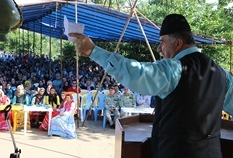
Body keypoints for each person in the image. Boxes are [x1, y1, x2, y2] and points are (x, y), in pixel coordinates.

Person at [69, 13, 233, 158]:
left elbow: (136, 73)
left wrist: (93, 51)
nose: (160, 49)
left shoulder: (175, 68)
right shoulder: (222, 74)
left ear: (178, 43)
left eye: (162, 42)